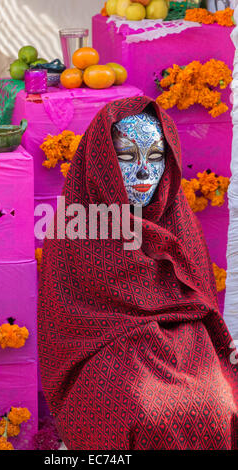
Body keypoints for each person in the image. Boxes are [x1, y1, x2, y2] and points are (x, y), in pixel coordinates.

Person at [38, 96, 238, 450]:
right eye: (128, 158)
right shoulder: (74, 226)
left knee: (220, 403)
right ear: (103, 162)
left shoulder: (177, 217)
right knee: (143, 412)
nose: (144, 172)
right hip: (101, 353)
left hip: (183, 345)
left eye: (156, 157)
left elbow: (199, 305)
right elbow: (67, 330)